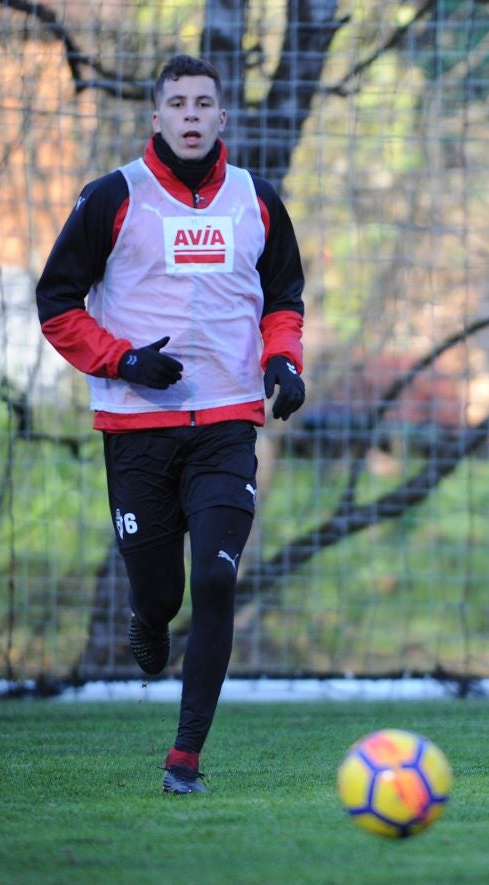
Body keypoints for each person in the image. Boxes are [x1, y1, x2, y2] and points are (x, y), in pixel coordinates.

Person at [35, 55, 306, 794]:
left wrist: (282, 362)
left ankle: (184, 758)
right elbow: (56, 304)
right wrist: (122, 362)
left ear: (222, 118)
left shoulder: (257, 200)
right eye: (177, 103)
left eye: (203, 103)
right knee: (162, 594)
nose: (191, 115)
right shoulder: (114, 197)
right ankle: (149, 619)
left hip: (225, 423)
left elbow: (284, 296)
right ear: (156, 117)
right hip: (137, 429)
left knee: (216, 579)